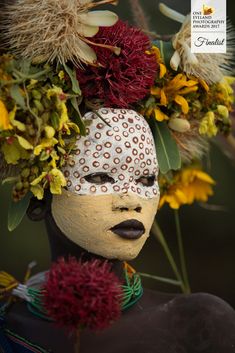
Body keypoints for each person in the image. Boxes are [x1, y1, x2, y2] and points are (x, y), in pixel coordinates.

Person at [2, 109, 235, 353]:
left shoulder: (199, 324)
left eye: (145, 180)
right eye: (100, 177)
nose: (131, 200)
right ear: (37, 201)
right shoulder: (9, 326)